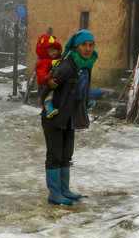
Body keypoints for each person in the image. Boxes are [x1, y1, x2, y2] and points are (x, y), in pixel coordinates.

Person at [39, 29, 98, 205]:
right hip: (55, 115)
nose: (88, 49)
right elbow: (45, 88)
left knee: (66, 154)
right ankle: (54, 193)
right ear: (76, 47)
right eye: (84, 45)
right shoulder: (66, 66)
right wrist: (48, 104)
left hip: (70, 117)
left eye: (91, 45)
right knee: (54, 154)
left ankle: (64, 190)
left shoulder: (85, 65)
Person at [35, 34, 62, 118]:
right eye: (51, 50)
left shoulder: (58, 61)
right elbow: (41, 73)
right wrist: (48, 79)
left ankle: (81, 104)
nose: (54, 51)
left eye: (55, 49)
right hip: (45, 85)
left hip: (55, 83)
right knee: (50, 95)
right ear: (45, 51)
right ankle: (48, 107)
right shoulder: (42, 62)